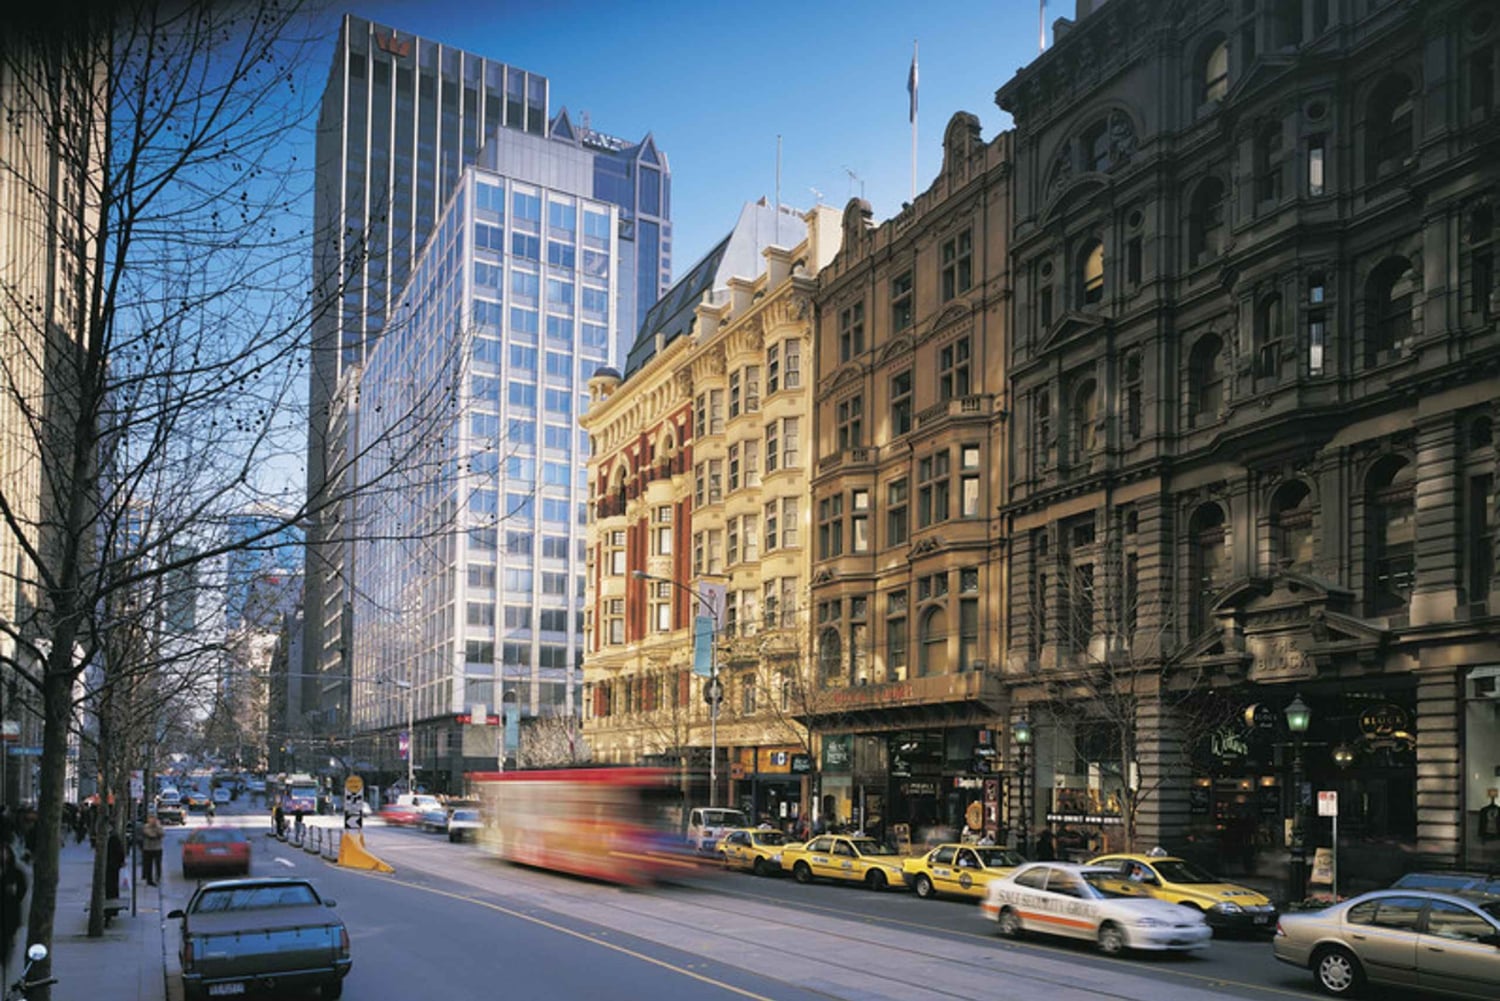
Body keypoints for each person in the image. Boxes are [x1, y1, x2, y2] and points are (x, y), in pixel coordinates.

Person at [140, 813, 164, 886]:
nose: (152, 820)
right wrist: (155, 834)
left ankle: (158, 877)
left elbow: (161, 834)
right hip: (148, 849)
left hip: (157, 848)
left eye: (154, 818)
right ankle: (149, 880)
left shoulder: (159, 827)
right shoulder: (146, 827)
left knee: (158, 864)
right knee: (148, 865)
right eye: (151, 818)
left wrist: (156, 830)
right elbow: (149, 835)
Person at [105, 824, 126, 899]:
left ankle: (112, 897)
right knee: (113, 882)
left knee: (112, 882)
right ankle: (112, 896)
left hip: (112, 864)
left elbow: (119, 851)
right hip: (113, 864)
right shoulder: (112, 837)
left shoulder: (113, 838)